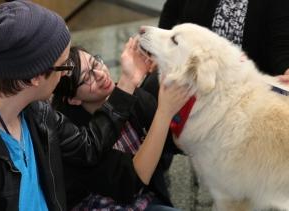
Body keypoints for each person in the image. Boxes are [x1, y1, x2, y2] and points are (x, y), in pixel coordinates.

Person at [0, 1, 189, 210]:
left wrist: (129, 83)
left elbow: (89, 146)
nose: (66, 73)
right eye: (64, 66)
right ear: (35, 77)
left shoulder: (40, 114)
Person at [51, 42, 189, 210]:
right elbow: (130, 183)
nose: (100, 74)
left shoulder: (130, 97)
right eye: (87, 78)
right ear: (73, 99)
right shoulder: (75, 135)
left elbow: (171, 141)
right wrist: (164, 112)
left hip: (143, 195)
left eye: (95, 63)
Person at [142, 0, 289, 99]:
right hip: (192, 74)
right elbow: (171, 13)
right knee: (151, 88)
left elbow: (286, 43)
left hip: (243, 89)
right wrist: (158, 53)